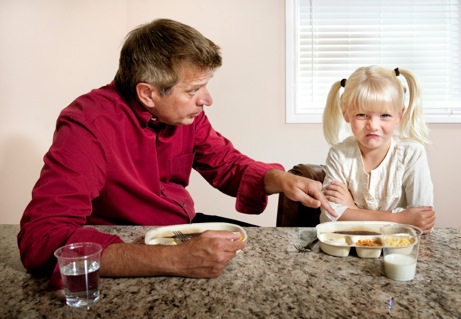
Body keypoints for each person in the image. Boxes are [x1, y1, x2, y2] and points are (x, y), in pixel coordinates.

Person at [17, 19, 335, 290]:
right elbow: (42, 239)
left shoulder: (182, 115)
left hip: (178, 228)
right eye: (194, 90)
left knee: (267, 260)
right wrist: (174, 260)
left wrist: (279, 179)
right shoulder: (88, 126)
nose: (206, 100)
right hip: (124, 245)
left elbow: (225, 163)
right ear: (148, 93)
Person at [319, 65, 435, 233]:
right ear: (346, 114)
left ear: (399, 115)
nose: (373, 125)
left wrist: (353, 211)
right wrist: (400, 219)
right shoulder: (339, 154)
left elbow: (422, 221)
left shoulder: (412, 153)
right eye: (361, 115)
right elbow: (329, 217)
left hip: (399, 251)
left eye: (384, 115)